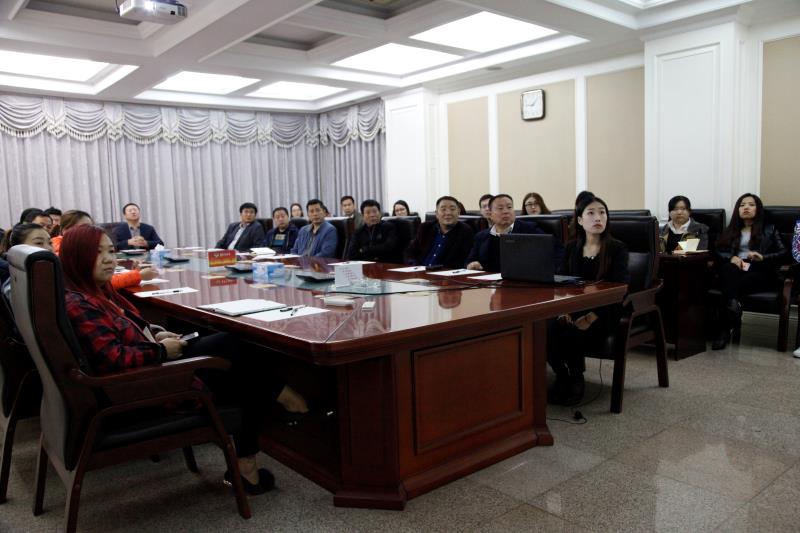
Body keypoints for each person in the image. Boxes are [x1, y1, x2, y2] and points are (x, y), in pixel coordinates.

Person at [59, 225, 308, 495]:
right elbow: (114, 358)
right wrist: (161, 351)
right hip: (145, 388)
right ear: (76, 257)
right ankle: (280, 406)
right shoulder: (80, 304)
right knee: (241, 369)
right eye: (98, 253)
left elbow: (124, 330)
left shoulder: (93, 292)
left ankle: (256, 448)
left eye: (110, 251)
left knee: (235, 347)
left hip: (149, 371)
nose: (109, 259)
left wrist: (156, 334)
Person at [548, 195, 629, 406]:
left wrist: (592, 316)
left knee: (573, 332)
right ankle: (561, 374)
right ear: (580, 220)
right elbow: (562, 284)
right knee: (545, 328)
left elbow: (619, 289)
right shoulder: (571, 248)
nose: (598, 218)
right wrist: (563, 310)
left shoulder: (617, 248)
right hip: (575, 306)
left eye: (602, 212)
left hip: (607, 310)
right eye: (591, 213)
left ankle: (576, 379)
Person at [712, 193, 786, 350]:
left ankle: (725, 328)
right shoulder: (730, 230)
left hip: (760, 270)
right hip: (736, 269)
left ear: (758, 209)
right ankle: (733, 308)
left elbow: (783, 253)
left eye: (751, 205)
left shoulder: (770, 229)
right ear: (737, 209)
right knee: (728, 269)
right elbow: (717, 250)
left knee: (729, 285)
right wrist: (731, 257)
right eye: (742, 205)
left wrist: (763, 257)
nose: (746, 208)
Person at [52, 209, 156, 289]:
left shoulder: (148, 228)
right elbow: (96, 283)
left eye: (91, 227)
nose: (91, 232)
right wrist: (138, 275)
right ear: (65, 231)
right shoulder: (62, 251)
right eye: (84, 228)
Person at [465, 194, 562, 272]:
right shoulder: (481, 236)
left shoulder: (529, 229)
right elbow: (469, 261)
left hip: (523, 282)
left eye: (509, 207)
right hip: (489, 285)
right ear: (490, 214)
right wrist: (472, 264)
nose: (506, 211)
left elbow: (556, 250)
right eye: (500, 208)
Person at [405, 196, 474, 268]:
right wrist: (414, 266)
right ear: (437, 214)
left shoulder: (465, 231)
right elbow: (409, 252)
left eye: (452, 209)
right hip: (419, 271)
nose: (448, 213)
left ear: (459, 212)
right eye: (443, 209)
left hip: (444, 273)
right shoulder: (426, 228)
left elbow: (461, 261)